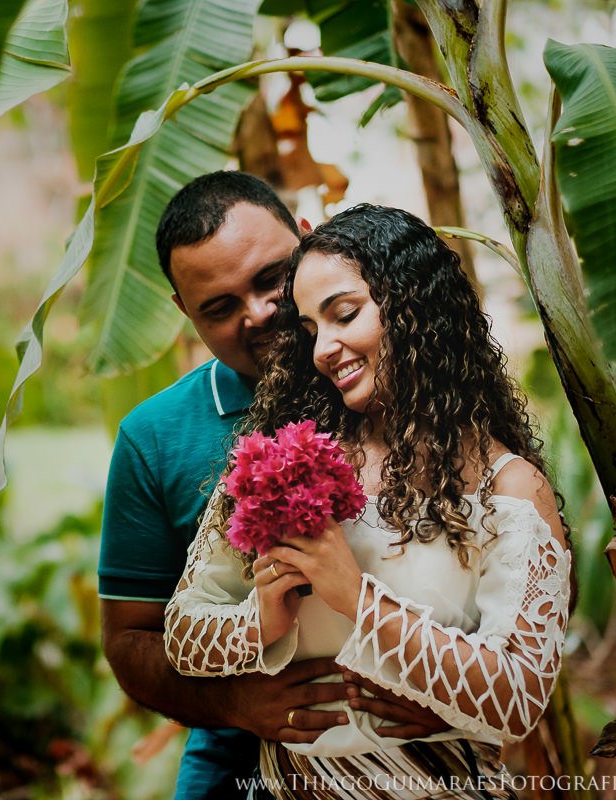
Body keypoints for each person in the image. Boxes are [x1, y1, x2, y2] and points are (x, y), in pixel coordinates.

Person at [163, 204, 573, 799]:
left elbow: (518, 701)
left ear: (416, 307)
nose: (324, 348)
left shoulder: (508, 487)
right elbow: (182, 633)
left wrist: (356, 598)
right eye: (310, 330)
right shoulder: (286, 461)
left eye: (345, 314)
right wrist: (261, 619)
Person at [98, 174, 448, 799]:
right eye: (219, 307)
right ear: (185, 312)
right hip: (240, 765)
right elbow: (129, 640)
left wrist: (451, 691)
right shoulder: (155, 437)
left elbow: (523, 561)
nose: (258, 313)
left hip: (433, 759)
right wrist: (234, 702)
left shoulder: (415, 382)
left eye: (271, 279)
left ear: (307, 240)